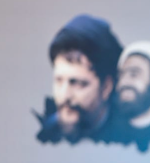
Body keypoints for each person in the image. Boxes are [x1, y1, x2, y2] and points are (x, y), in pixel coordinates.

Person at [35, 14, 123, 144]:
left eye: (77, 84)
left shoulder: (128, 138)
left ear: (106, 87)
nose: (64, 96)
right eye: (58, 81)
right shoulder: (46, 132)